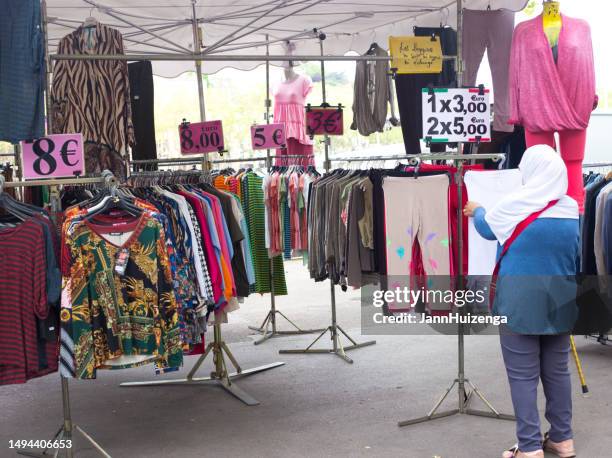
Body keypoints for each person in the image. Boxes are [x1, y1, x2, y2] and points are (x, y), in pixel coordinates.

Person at [463, 145, 579, 458]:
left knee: (522, 376)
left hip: (518, 304)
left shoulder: (514, 205)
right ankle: (562, 439)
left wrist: (479, 210)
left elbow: (487, 230)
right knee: (557, 373)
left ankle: (529, 447)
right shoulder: (570, 209)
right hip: (560, 302)